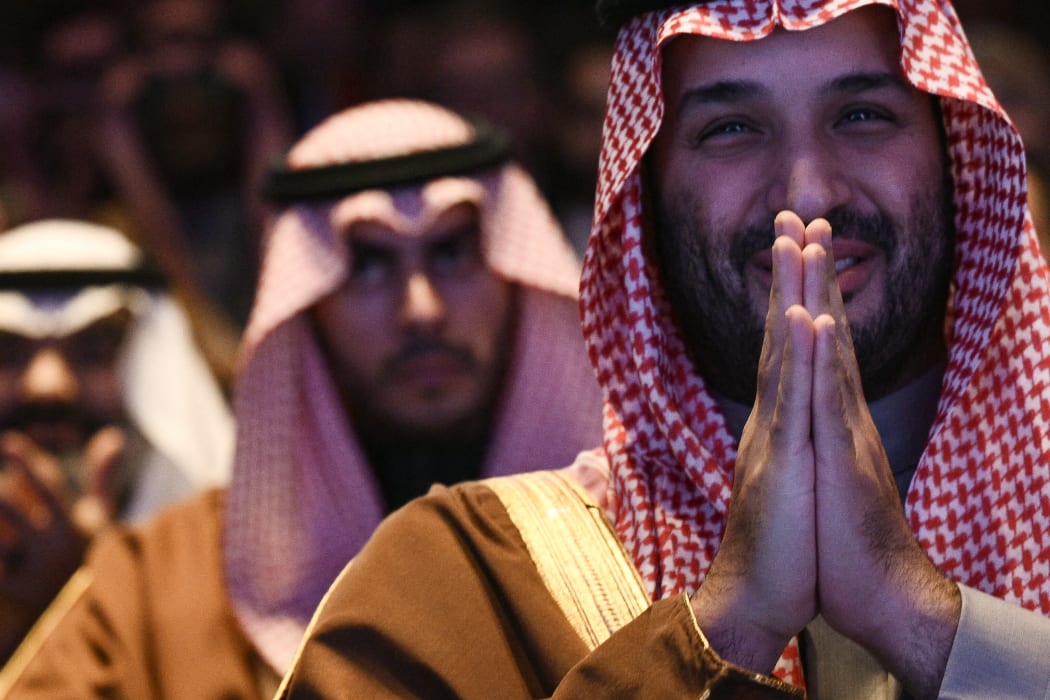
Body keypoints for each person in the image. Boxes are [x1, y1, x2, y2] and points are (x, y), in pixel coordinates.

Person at [274, 1, 1050, 698]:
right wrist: (726, 628)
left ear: (956, 156)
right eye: (730, 129)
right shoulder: (463, 588)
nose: (810, 194)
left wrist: (918, 621)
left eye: (863, 115)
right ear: (641, 199)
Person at [0, 99, 603, 698]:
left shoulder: (642, 533)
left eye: (451, 253)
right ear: (303, 305)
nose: (423, 309)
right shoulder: (156, 578)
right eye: (366, 265)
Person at [0, 219, 233, 664]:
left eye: (93, 350)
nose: (47, 385)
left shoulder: (230, 561)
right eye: (6, 353)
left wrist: (90, 589)